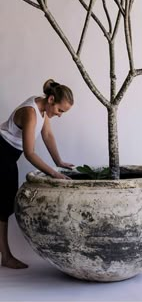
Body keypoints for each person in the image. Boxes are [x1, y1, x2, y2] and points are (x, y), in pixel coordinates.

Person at [0, 79, 74, 269]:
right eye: (61, 111)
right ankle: (6, 257)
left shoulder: (42, 108)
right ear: (51, 100)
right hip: (1, 153)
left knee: (6, 204)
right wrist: (54, 174)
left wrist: (59, 163)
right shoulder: (31, 112)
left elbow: (47, 135)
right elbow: (30, 152)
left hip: (7, 157)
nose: (60, 115)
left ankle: (5, 256)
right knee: (3, 205)